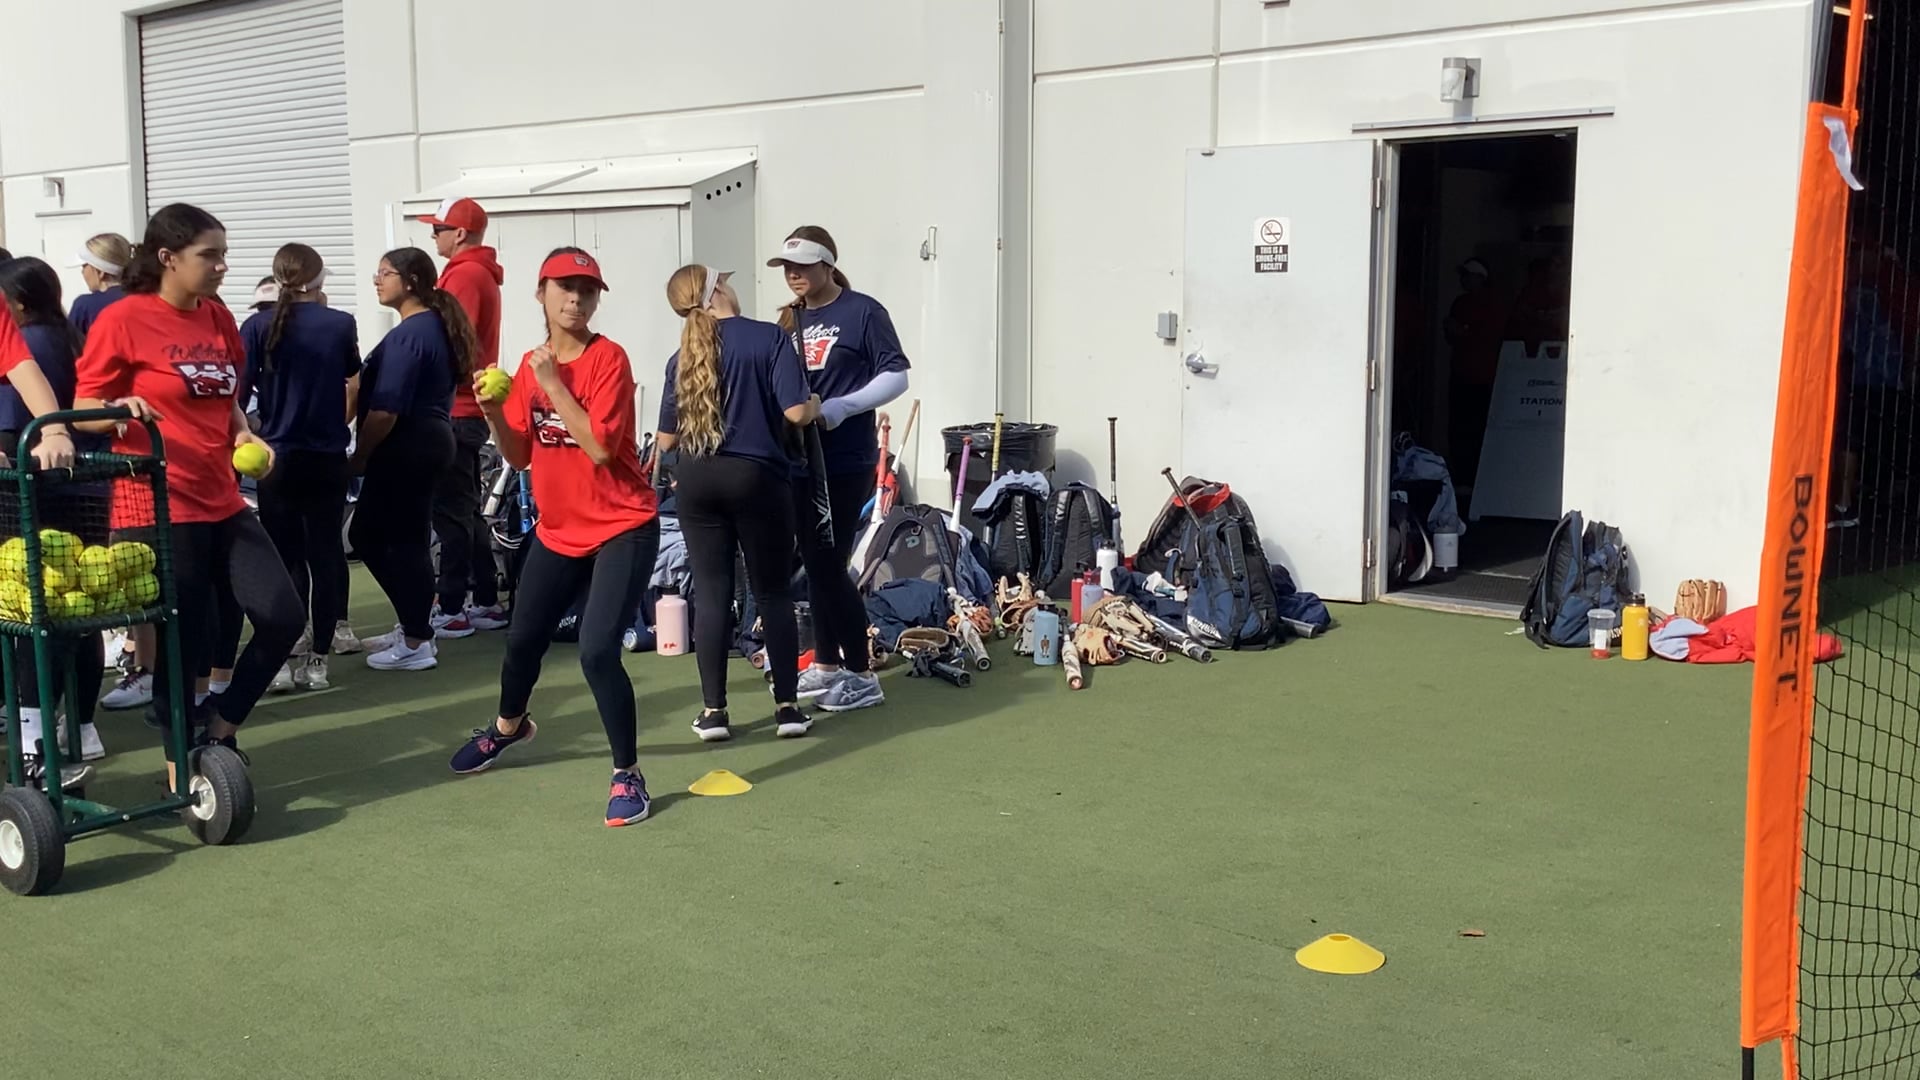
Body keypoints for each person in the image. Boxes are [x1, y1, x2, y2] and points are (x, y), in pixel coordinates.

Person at [72, 202, 305, 764]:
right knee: (186, 641)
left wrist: (244, 433)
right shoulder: (123, 319)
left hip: (222, 498)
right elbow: (82, 410)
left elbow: (227, 401)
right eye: (210, 255)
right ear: (168, 257)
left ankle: (220, 728)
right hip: (155, 503)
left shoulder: (217, 317)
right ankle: (182, 767)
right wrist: (120, 410)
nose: (222, 265)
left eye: (224, 254)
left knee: (283, 616)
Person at [447, 247, 661, 828]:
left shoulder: (607, 359)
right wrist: (494, 411)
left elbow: (600, 448)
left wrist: (553, 384)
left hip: (623, 526)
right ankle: (508, 727)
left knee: (596, 652)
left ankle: (627, 774)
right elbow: (518, 455)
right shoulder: (528, 364)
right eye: (564, 288)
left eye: (587, 291)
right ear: (541, 294)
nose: (576, 299)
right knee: (521, 641)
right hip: (560, 531)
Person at [658, 264, 819, 742]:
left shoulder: (681, 356)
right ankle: (787, 708)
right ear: (717, 290)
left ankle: (714, 712)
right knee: (772, 593)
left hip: (697, 480)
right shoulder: (767, 338)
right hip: (757, 477)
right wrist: (815, 403)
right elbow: (796, 411)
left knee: (711, 595)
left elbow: (665, 439)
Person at [770, 226, 910, 713]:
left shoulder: (863, 311)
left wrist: (842, 407)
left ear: (828, 265)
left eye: (804, 265)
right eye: (787, 267)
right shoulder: (787, 320)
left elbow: (896, 375)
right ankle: (827, 663)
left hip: (845, 457)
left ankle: (861, 672)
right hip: (798, 457)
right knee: (817, 562)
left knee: (828, 565)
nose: (794, 274)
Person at [0, 257, 101, 786]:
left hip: (45, 499)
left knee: (34, 611)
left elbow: (21, 369)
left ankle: (35, 749)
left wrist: (55, 429)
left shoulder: (20, 326)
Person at [241, 244, 360, 690]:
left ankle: (284, 655)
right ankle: (318, 659)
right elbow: (350, 374)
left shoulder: (256, 326)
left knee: (285, 556)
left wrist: (250, 431)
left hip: (275, 458)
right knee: (324, 554)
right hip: (326, 456)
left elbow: (239, 395)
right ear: (319, 279)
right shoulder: (339, 323)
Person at [349, 247, 468, 672]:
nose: (377, 280)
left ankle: (417, 637)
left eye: (385, 273)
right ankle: (414, 627)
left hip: (409, 444)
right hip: (425, 442)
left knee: (378, 538)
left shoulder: (414, 333)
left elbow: (385, 410)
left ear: (411, 281)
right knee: (405, 540)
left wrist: (360, 456)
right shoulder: (428, 326)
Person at [418, 197, 505, 637]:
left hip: (456, 407)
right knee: (465, 511)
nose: (433, 235)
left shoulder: (465, 275)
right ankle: (484, 599)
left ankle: (452, 605)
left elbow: (454, 341)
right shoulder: (474, 272)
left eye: (438, 228)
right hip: (467, 407)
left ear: (460, 233)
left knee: (452, 514)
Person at [68, 233, 133, 343]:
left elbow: (70, 347)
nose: (82, 272)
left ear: (100, 272)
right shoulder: (145, 298)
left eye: (84, 266)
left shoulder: (84, 306)